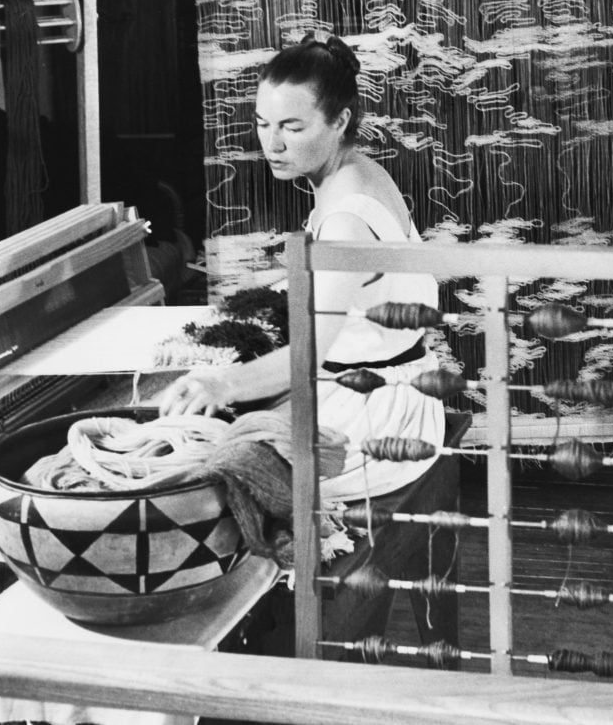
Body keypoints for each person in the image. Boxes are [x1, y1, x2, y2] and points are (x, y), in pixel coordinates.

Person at [159, 31, 445, 503]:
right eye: (262, 123)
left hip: (375, 419)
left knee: (195, 472)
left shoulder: (347, 219)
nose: (272, 143)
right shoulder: (357, 170)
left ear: (340, 120)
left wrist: (221, 382)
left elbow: (309, 355)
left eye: (292, 127)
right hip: (376, 387)